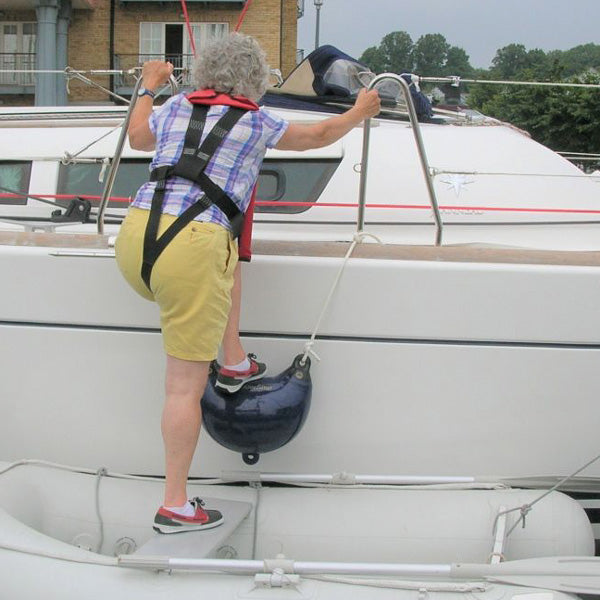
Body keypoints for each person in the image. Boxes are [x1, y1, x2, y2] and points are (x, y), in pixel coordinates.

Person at [115, 32, 380, 534]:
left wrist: (148, 85)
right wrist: (358, 112)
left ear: (204, 73)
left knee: (228, 254)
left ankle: (234, 360)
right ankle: (174, 506)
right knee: (183, 388)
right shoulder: (257, 122)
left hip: (134, 240)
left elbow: (138, 139)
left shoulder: (175, 107)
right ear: (255, 80)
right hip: (190, 250)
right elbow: (319, 136)